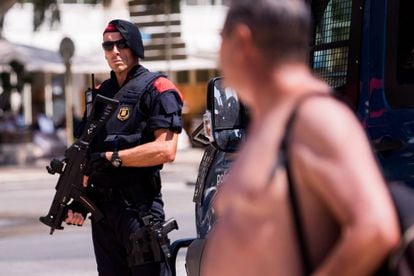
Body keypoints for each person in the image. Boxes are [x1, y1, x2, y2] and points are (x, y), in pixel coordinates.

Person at [201, 0, 400, 275]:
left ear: (242, 41)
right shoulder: (274, 119)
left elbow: (375, 228)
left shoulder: (315, 118)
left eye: (221, 39)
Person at [64, 19, 183, 276]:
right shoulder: (99, 94)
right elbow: (87, 154)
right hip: (103, 213)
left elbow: (166, 150)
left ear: (135, 47)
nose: (114, 51)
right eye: (108, 46)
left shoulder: (158, 88)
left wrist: (114, 157)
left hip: (139, 209)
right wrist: (80, 202)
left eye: (121, 44)